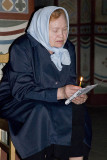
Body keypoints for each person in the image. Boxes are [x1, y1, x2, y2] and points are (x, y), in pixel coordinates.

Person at [0, 6, 92, 160]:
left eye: (64, 29)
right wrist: (60, 93)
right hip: (15, 99)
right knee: (41, 111)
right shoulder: (22, 47)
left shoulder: (68, 48)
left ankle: (76, 157)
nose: (62, 35)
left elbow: (69, 82)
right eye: (55, 30)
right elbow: (21, 90)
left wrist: (76, 95)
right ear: (41, 27)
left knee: (77, 108)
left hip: (51, 99)